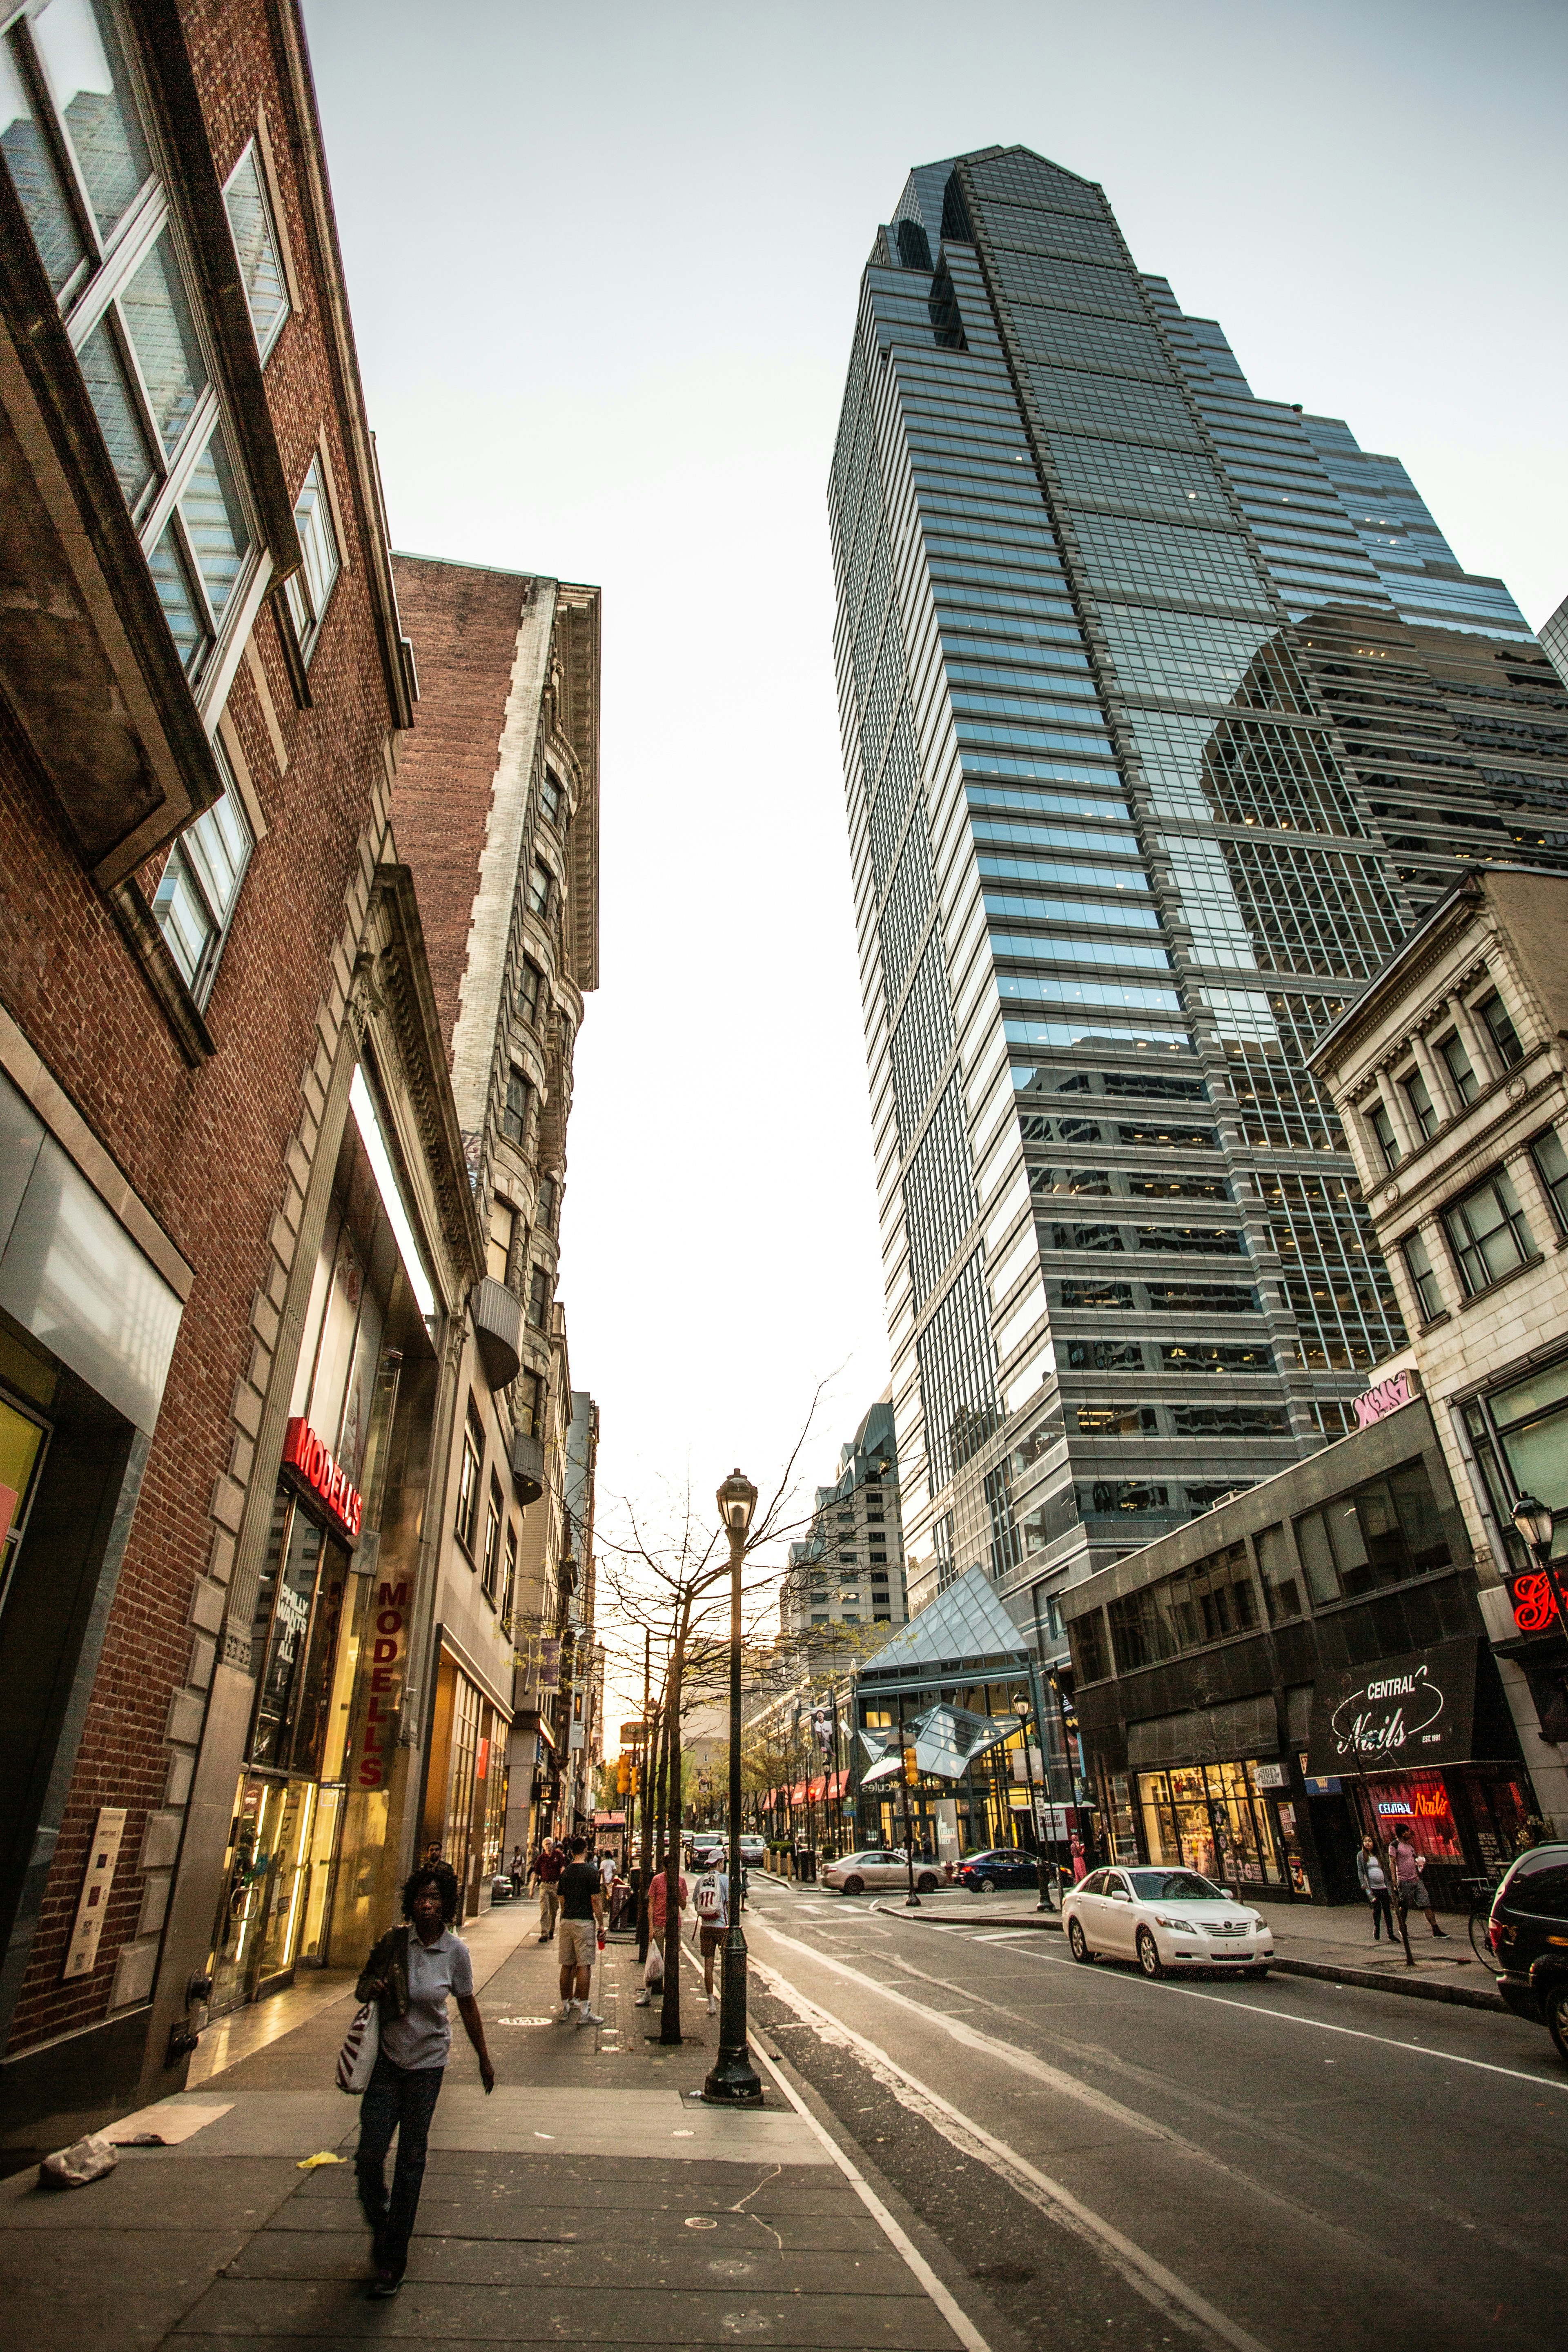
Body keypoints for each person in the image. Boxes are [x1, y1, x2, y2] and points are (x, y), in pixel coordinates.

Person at [354, 1862, 494, 2301]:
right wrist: (373, 1988)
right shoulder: (396, 1943)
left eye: (434, 1899)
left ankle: (393, 2259)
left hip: (428, 2067)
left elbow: (468, 2005)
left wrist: (484, 2059)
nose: (427, 1906)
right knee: (369, 2158)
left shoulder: (456, 1953)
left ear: (446, 1904)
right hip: (387, 2063)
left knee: (411, 2161)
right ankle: (385, 2225)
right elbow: (361, 1986)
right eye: (421, 1898)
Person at [555, 1834, 606, 2025]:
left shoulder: (566, 1873)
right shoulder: (591, 1872)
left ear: (571, 1852)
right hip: (584, 1922)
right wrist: (601, 1924)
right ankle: (585, 2011)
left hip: (567, 1921)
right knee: (584, 1965)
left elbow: (562, 1899)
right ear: (586, 1851)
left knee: (566, 1965)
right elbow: (596, 1900)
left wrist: (566, 1913)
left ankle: (565, 2007)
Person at [634, 1851, 687, 2006]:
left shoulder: (681, 1881)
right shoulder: (657, 1880)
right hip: (658, 1923)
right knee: (654, 1959)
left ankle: (671, 1991)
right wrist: (651, 1927)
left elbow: (683, 1906)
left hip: (673, 1924)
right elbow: (651, 1904)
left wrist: (677, 1892)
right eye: (669, 1869)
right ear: (664, 1868)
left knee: (672, 1959)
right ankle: (648, 1993)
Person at [1390, 1829, 1448, 1938]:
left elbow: (1412, 1860)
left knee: (1426, 1903)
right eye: (1407, 1831)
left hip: (1416, 1879)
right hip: (1404, 1880)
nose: (1410, 1833)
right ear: (1402, 1833)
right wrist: (1394, 1880)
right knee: (1405, 1906)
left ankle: (1436, 1929)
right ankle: (1402, 1927)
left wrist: (1419, 1863)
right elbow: (1392, 1863)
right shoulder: (1394, 1845)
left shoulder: (1410, 1846)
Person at [692, 1858, 728, 2016]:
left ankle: (711, 2004)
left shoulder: (701, 1881)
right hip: (722, 1927)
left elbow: (696, 1904)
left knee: (708, 1967)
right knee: (728, 1965)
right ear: (719, 1863)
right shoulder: (725, 1880)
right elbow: (730, 1902)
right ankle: (729, 2000)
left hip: (706, 1927)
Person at [1357, 1836, 1395, 1942]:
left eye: (1370, 1841)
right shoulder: (1361, 1855)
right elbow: (1361, 1871)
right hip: (1372, 1887)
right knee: (1377, 1909)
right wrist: (1363, 1884)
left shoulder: (1378, 1855)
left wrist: (1389, 1887)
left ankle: (1391, 1933)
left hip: (1383, 1886)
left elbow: (1385, 1870)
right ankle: (1377, 1928)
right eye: (1365, 1841)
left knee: (1387, 1910)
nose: (1367, 1843)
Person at [534, 1837, 563, 1942]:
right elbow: (537, 1873)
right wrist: (531, 1889)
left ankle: (551, 1929)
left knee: (554, 1910)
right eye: (546, 1844)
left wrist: (561, 1880)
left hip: (555, 1886)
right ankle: (544, 1933)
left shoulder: (558, 1856)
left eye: (550, 1844)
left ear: (553, 1845)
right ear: (543, 1846)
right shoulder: (541, 1858)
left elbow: (562, 1868)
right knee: (545, 1909)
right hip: (545, 1885)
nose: (548, 1846)